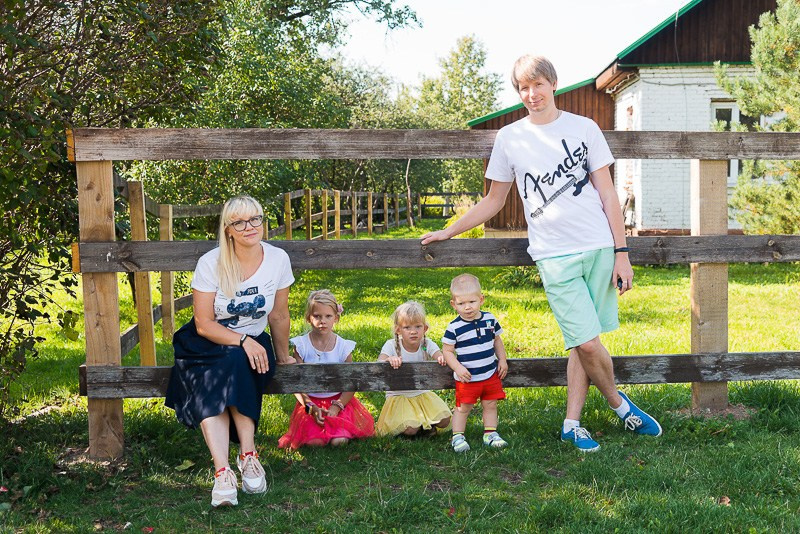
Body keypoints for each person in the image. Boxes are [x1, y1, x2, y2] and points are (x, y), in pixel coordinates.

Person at [421, 55, 662, 453]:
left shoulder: (584, 128)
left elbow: (606, 192)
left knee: (581, 338)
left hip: (598, 244)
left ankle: (572, 423)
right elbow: (494, 199)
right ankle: (620, 405)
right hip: (553, 253)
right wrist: (449, 230)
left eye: (537, 85)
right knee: (585, 341)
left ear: (553, 84)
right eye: (523, 88)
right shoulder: (509, 138)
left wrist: (622, 251)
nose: (531, 94)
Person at [165, 195, 295, 507]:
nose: (249, 226)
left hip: (252, 341)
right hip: (207, 343)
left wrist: (282, 355)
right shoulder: (211, 263)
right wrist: (240, 340)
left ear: (263, 221)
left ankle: (247, 456)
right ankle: (223, 471)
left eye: (255, 219)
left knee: (240, 360)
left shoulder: (278, 259)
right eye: (240, 221)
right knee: (228, 363)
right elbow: (204, 323)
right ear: (228, 229)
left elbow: (278, 315)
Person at [277, 289, 375, 449]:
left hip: (337, 401)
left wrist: (337, 406)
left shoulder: (343, 346)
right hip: (311, 403)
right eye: (317, 316)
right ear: (309, 318)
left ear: (336, 318)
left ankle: (338, 431)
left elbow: (351, 383)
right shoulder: (301, 346)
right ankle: (316, 430)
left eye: (328, 316)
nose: (322, 321)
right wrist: (310, 407)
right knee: (314, 442)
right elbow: (297, 383)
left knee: (339, 442)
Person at [440, 274, 509, 452]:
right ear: (453, 304)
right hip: (467, 377)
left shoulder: (489, 319)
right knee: (463, 408)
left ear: (481, 299)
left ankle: (490, 433)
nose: (468, 307)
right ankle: (457, 436)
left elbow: (497, 341)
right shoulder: (454, 327)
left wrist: (502, 359)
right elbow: (447, 351)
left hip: (490, 374)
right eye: (462, 304)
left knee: (490, 404)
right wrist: (458, 367)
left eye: (472, 301)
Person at [375, 301, 452, 437]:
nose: (413, 331)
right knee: (410, 428)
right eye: (407, 327)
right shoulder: (391, 345)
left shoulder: (425, 344)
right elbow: (379, 363)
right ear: (398, 330)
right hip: (399, 397)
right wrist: (388, 359)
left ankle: (426, 427)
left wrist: (440, 357)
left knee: (445, 420)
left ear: (425, 328)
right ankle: (420, 430)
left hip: (422, 393)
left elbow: (437, 353)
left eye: (418, 326)